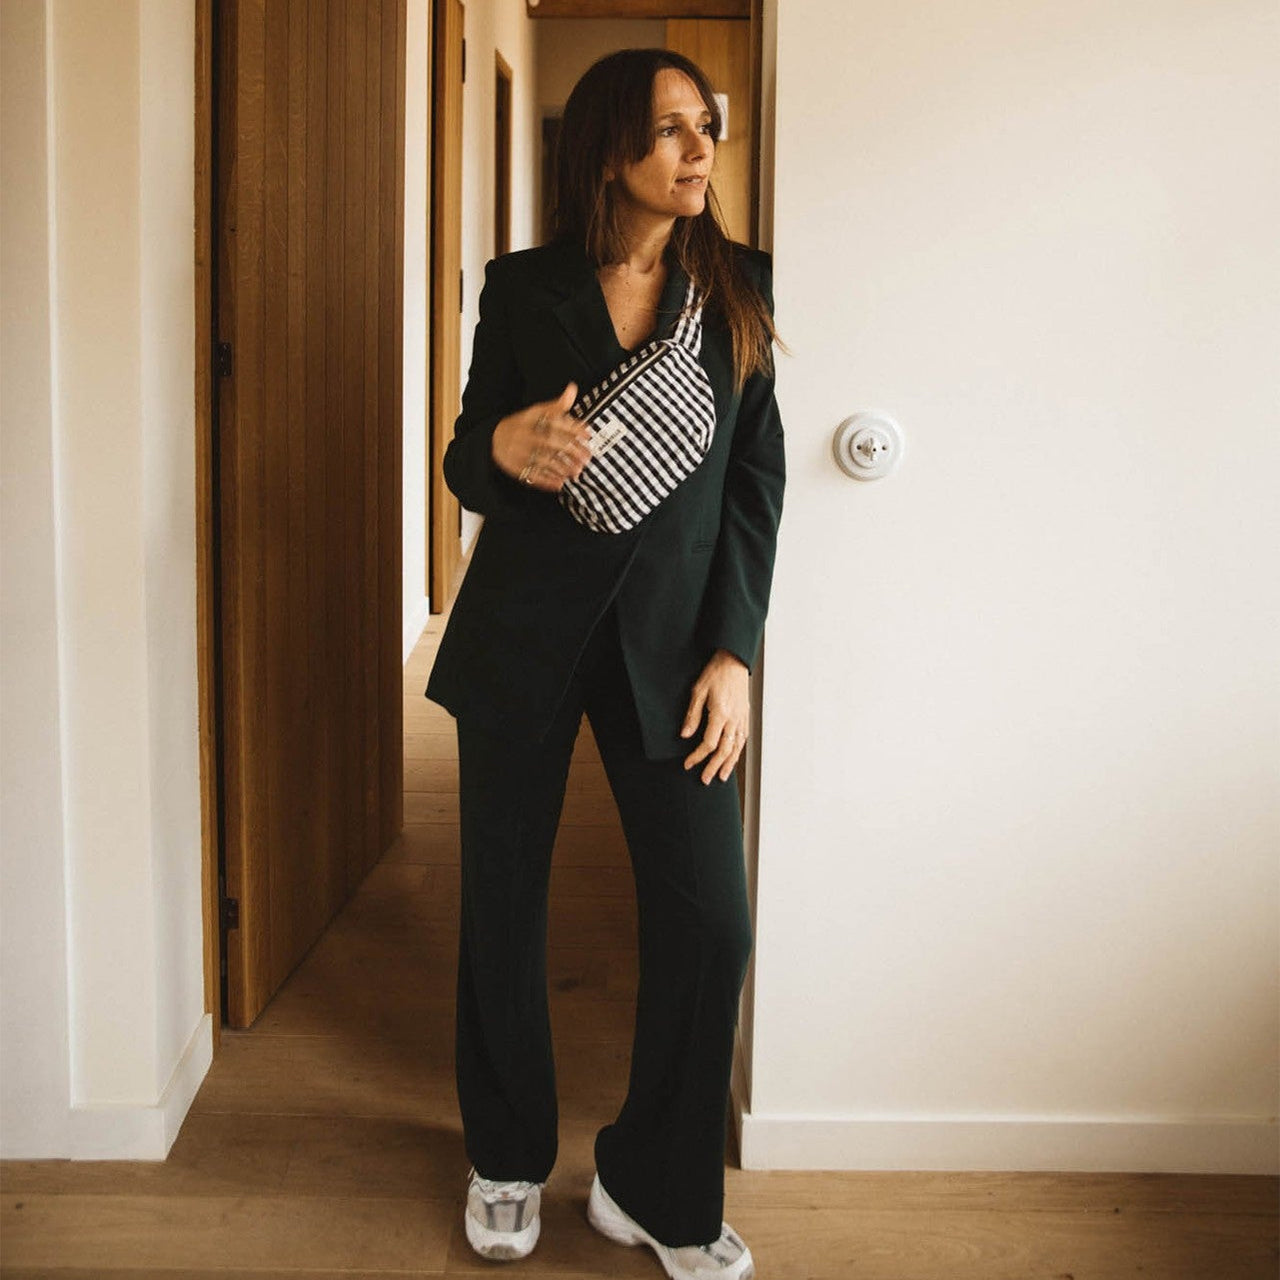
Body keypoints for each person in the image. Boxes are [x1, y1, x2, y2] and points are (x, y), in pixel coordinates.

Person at [424, 46, 785, 1280]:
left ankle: (653, 1181)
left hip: (677, 653)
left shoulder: (736, 287)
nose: (700, 150)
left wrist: (734, 651)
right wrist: (501, 447)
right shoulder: (522, 288)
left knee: (710, 919)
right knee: (502, 905)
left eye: (706, 126)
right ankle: (508, 1153)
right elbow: (471, 457)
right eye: (672, 129)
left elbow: (752, 486)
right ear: (607, 148)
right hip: (523, 630)